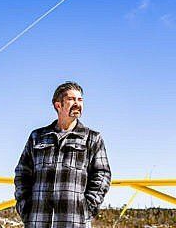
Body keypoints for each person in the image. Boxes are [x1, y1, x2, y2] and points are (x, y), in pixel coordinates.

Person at [14, 81, 111, 228]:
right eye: (72, 99)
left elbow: (102, 174)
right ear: (58, 105)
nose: (77, 103)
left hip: (74, 221)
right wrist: (25, 207)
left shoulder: (92, 138)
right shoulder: (37, 136)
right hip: (37, 220)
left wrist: (87, 208)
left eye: (80, 99)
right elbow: (22, 173)